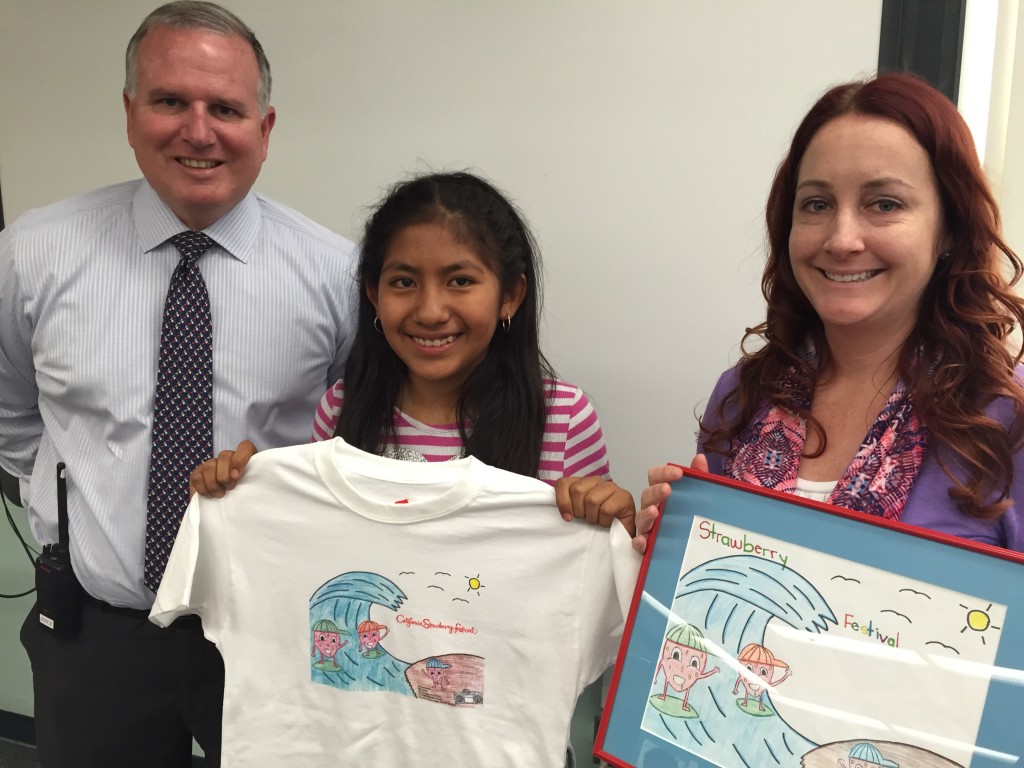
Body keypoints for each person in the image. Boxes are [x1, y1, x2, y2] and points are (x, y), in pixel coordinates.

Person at [0, 2, 358, 765]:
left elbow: (352, 445)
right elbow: (12, 414)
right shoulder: (31, 255)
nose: (199, 131)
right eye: (170, 102)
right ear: (131, 115)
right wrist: (67, 493)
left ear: (263, 130)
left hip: (271, 639)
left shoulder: (338, 275)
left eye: (225, 108)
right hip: (97, 636)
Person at [639, 72, 1024, 554]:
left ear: (949, 229)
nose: (841, 240)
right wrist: (670, 546)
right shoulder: (742, 395)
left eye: (884, 204)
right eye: (817, 204)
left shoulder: (1009, 417)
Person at [191, 171, 637, 533]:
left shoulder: (563, 417)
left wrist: (612, 516)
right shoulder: (341, 409)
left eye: (460, 281)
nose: (429, 312)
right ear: (373, 294)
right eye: (403, 282)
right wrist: (244, 492)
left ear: (510, 296)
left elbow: (596, 553)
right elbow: (313, 539)